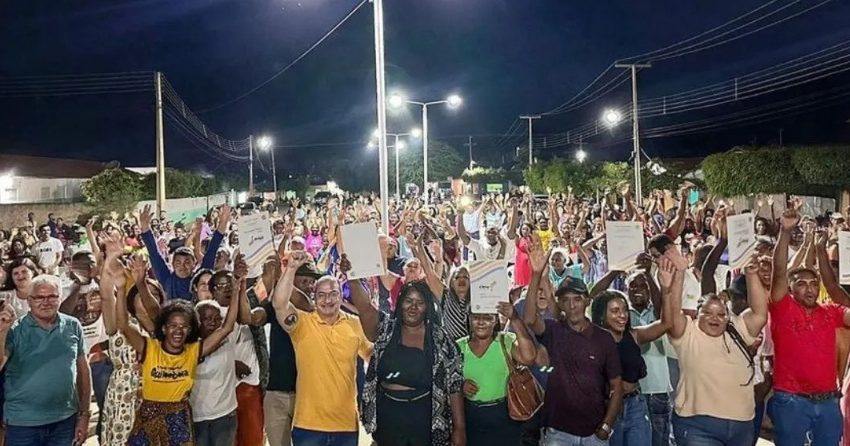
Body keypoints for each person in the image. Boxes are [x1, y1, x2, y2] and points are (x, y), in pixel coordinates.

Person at [346, 255, 465, 446]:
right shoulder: (386, 329)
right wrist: (352, 277)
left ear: (428, 307)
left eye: (420, 303)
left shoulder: (440, 339)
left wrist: (459, 429)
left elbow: (454, 385)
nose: (413, 307)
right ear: (400, 304)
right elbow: (365, 307)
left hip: (424, 420)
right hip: (388, 418)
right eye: (408, 301)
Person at [523, 234, 623, 445]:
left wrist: (606, 426)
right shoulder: (553, 330)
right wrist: (536, 274)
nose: (572, 305)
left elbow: (617, 386)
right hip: (558, 432)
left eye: (577, 299)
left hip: (594, 432)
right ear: (559, 304)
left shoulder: (603, 338)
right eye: (566, 300)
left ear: (586, 301)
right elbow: (530, 318)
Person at [119, 271, 239, 444]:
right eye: (173, 326)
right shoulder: (149, 348)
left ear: (190, 330)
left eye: (184, 326)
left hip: (179, 422)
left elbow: (226, 327)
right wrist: (121, 288)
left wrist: (237, 291)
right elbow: (123, 325)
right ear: (164, 329)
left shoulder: (193, 351)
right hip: (148, 419)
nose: (178, 331)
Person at [666, 243, 768, 445]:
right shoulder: (687, 332)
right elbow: (670, 313)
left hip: (742, 425)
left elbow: (759, 313)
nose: (715, 318)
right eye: (708, 313)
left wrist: (752, 273)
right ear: (697, 314)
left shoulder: (738, 330)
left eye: (721, 314)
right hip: (697, 427)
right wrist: (677, 275)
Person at [268, 251, 371, 446]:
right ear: (313, 298)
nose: (328, 300)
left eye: (333, 294)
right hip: (308, 427)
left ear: (341, 296)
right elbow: (279, 304)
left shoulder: (356, 325)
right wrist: (290, 268)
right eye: (321, 295)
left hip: (346, 426)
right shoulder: (302, 325)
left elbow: (373, 357)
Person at [767, 205, 850, 445]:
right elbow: (780, 270)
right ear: (790, 289)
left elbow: (834, 289)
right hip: (792, 401)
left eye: (814, 283)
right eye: (802, 284)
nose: (810, 288)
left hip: (828, 403)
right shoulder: (783, 309)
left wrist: (821, 251)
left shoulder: (831, 312)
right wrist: (784, 232)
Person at [1, 275, 92, 446]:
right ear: (29, 300)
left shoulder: (73, 326)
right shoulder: (13, 330)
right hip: (22, 425)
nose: (46, 302)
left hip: (65, 421)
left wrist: (84, 415)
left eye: (52, 296)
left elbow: (83, 372)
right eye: (39, 297)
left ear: (60, 298)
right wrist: (1, 332)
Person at [589, 268, 672, 446]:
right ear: (602, 316)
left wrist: (665, 289)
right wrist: (612, 272)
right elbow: (592, 295)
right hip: (606, 409)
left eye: (625, 310)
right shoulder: (592, 340)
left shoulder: (634, 336)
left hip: (636, 405)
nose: (622, 316)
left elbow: (666, 323)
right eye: (615, 311)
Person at [261, 259, 321, 446]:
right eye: (304, 281)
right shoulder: (275, 305)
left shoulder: (320, 309)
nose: (310, 286)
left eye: (313, 282)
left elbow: (304, 302)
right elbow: (252, 317)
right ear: (291, 281)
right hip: (276, 390)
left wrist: (281, 276)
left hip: (308, 393)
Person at [458, 304, 537, 446]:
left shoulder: (505, 341)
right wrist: (460, 385)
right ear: (469, 319)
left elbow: (529, 357)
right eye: (476, 317)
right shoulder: (459, 347)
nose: (481, 322)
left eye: (487, 317)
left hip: (504, 416)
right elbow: (447, 382)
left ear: (495, 320)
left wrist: (514, 318)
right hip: (470, 418)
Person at [139, 203, 229, 301]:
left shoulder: (200, 278)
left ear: (194, 264)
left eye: (187, 262)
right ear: (172, 264)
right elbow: (154, 252)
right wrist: (145, 227)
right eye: (178, 262)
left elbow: (213, 249)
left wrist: (223, 223)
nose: (182, 266)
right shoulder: (166, 278)